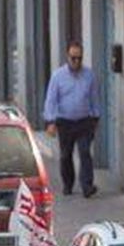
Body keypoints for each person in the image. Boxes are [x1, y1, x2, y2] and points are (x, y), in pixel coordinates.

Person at [43, 40, 100, 198]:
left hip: (84, 121)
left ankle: (87, 186)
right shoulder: (58, 76)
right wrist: (50, 121)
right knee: (65, 155)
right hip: (65, 122)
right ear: (67, 57)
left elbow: (94, 97)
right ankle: (68, 184)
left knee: (84, 152)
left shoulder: (89, 75)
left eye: (79, 58)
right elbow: (51, 100)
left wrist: (96, 117)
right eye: (73, 58)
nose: (76, 62)